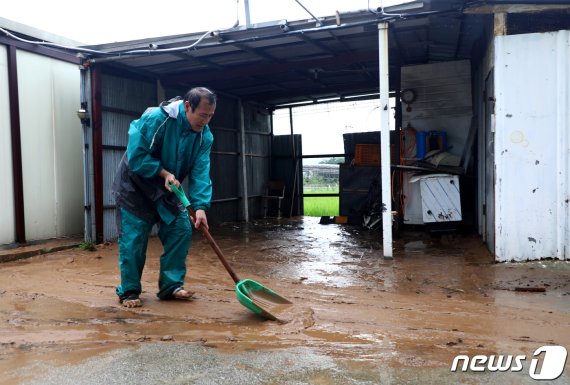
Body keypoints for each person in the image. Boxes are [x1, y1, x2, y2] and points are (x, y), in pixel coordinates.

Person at [112, 87, 216, 308]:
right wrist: (164, 173)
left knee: (181, 229)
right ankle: (129, 291)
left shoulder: (204, 137)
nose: (205, 121)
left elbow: (200, 171)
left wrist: (200, 207)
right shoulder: (156, 118)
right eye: (202, 115)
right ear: (188, 106)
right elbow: (137, 156)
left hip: (168, 187)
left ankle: (171, 287)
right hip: (135, 186)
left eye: (210, 116)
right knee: (134, 240)